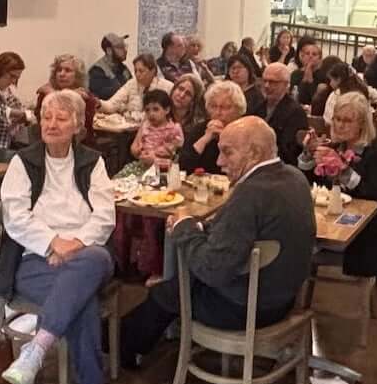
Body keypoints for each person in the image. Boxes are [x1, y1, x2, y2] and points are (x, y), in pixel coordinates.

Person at [117, 117, 317, 367]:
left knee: (171, 289)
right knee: (174, 288)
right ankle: (122, 342)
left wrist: (183, 226)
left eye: (227, 152)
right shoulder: (295, 177)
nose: (219, 161)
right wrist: (199, 227)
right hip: (283, 298)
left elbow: (212, 270)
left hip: (247, 309)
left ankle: (116, 346)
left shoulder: (251, 192)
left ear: (254, 153)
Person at [0, 91, 123, 384]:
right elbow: (15, 218)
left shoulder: (92, 162)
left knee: (94, 258)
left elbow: (105, 216)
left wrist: (74, 245)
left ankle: (37, 349)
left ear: (78, 125)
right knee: (82, 301)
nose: (51, 123)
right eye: (47, 116)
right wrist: (53, 244)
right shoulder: (22, 162)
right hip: (35, 259)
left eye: (61, 118)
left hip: (86, 255)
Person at [301, 90, 377, 277]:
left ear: (362, 124)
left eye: (347, 121)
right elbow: (313, 185)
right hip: (329, 223)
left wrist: (343, 169)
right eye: (337, 119)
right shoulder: (334, 146)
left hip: (363, 233)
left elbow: (375, 194)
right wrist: (308, 154)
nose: (340, 125)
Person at [176, 79, 247, 174]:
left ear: (238, 109)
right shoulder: (199, 130)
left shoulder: (246, 131)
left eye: (225, 107)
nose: (218, 112)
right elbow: (182, 167)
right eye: (213, 106)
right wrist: (205, 138)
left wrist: (225, 138)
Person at [252, 61, 310, 164]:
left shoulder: (295, 113)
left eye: (273, 82)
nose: (266, 85)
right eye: (264, 81)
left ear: (286, 85)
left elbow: (289, 152)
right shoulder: (257, 107)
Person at [130, 89, 183, 169]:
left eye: (156, 109)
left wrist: (155, 160)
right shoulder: (145, 126)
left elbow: (176, 157)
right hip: (142, 165)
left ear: (167, 110)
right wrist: (137, 151)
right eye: (147, 110)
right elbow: (134, 148)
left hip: (163, 169)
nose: (151, 114)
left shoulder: (174, 129)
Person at [98, 52, 161, 119]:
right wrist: (97, 103)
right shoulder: (131, 84)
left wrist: (131, 115)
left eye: (141, 71)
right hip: (131, 127)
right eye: (135, 70)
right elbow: (112, 104)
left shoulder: (166, 86)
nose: (137, 74)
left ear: (152, 71)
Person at [88, 32, 131, 100]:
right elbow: (100, 98)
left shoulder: (124, 69)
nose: (125, 50)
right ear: (109, 50)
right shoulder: (97, 71)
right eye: (120, 47)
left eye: (124, 46)